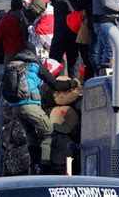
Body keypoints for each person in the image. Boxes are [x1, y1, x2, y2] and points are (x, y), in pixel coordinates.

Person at [5, 44, 78, 175]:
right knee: (48, 132)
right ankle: (45, 166)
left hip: (15, 107)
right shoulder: (36, 67)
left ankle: (34, 165)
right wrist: (73, 83)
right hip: (29, 105)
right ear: (33, 54)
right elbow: (55, 84)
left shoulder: (12, 66)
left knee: (31, 134)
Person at [35, 0, 80, 79]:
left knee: (53, 65)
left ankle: (50, 89)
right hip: (75, 36)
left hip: (60, 35)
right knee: (74, 67)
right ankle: (76, 90)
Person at [67, 0, 97, 80]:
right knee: (92, 61)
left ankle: (89, 84)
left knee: (89, 61)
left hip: (86, 32)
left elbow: (78, 4)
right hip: (89, 31)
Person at [0, 0, 26, 64]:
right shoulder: (25, 17)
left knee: (10, 71)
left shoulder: (6, 18)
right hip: (24, 50)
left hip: (10, 51)